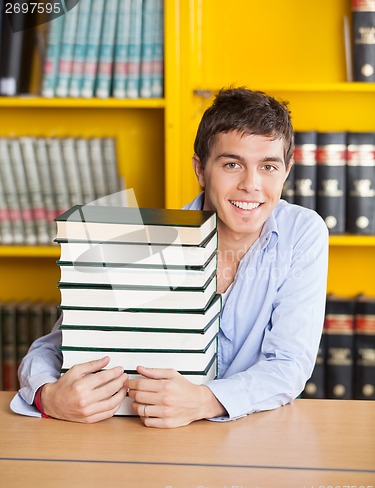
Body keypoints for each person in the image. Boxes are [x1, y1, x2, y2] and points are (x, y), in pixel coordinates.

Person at [10, 87, 328, 427]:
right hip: (140, 434)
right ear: (201, 170)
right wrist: (47, 395)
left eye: (268, 166)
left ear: (287, 170)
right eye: (232, 164)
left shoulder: (302, 233)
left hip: (251, 435)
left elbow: (289, 364)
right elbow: (54, 346)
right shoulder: (147, 241)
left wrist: (205, 400)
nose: (252, 185)